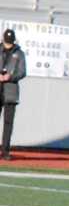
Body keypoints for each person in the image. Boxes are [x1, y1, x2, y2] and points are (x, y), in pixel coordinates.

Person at [0, 28, 27, 160]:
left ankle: (5, 151)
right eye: (6, 43)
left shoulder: (19, 54)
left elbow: (22, 72)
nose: (8, 45)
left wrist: (10, 77)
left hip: (11, 91)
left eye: (10, 43)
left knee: (8, 123)